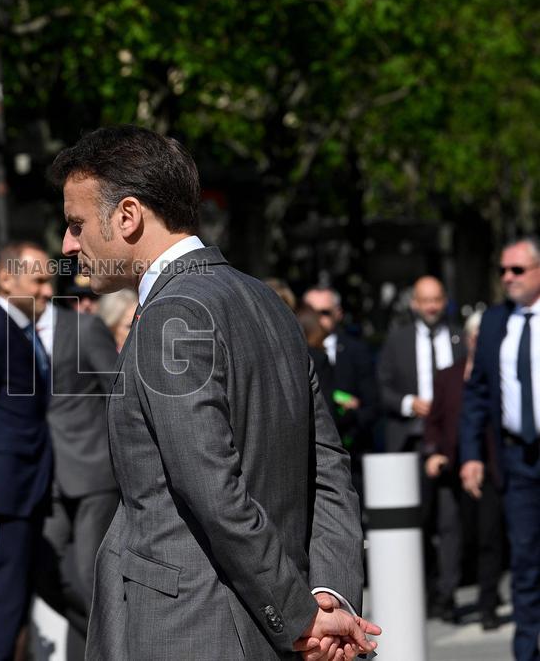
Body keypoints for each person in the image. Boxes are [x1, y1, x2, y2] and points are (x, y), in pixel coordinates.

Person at [52, 125, 379, 660]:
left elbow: (213, 491)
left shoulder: (170, 318)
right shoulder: (267, 302)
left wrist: (301, 616)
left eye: (75, 224)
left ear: (128, 216)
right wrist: (326, 593)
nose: (67, 244)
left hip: (189, 630)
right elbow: (328, 469)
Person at [0, 241, 54, 661]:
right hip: (4, 498)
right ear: (6, 278)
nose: (48, 291)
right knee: (0, 612)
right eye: (38, 280)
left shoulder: (15, 331)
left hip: (22, 494)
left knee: (11, 609)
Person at [461, 237, 540, 661]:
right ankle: (527, 651)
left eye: (517, 270)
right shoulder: (494, 323)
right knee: (525, 559)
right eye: (503, 271)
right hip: (516, 458)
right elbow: (477, 395)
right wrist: (471, 454)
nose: (508, 278)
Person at [35, 297, 120, 660]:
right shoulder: (9, 336)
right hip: (45, 477)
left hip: (93, 472)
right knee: (43, 571)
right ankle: (106, 642)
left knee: (89, 577)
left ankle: (115, 648)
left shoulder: (84, 328)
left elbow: (120, 391)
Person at [424, 310, 502, 629]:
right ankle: (447, 598)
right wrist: (433, 453)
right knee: (452, 536)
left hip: (491, 468)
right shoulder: (448, 375)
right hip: (451, 470)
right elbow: (435, 420)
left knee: (488, 536)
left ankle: (487, 604)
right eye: (474, 336)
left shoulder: (500, 374)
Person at [378, 276, 467, 453]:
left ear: (445, 301)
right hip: (410, 437)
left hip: (454, 437)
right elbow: (381, 387)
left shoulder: (461, 339)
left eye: (436, 300)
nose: (432, 307)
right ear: (414, 304)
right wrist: (409, 403)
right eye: (425, 301)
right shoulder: (397, 340)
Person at [302, 286, 378, 455]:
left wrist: (349, 417)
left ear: (338, 313)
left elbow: (372, 405)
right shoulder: (296, 352)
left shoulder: (357, 351)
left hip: (352, 447)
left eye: (324, 312)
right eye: (311, 312)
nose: (317, 319)